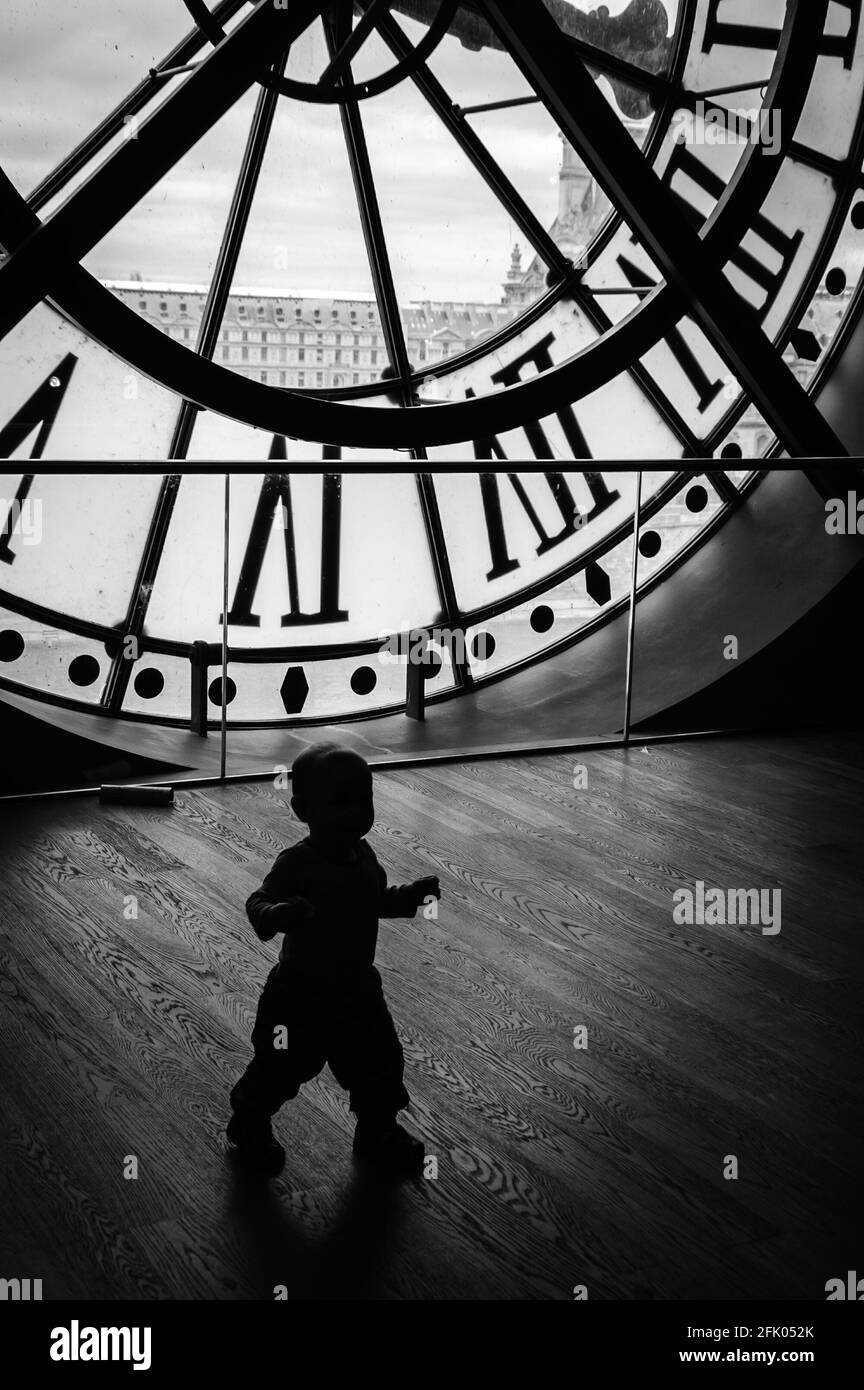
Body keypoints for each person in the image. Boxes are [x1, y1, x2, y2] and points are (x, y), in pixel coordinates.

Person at [227, 742, 440, 1174]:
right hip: (298, 994)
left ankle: (377, 1130)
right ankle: (249, 1121)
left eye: (365, 799)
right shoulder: (296, 863)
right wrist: (277, 914)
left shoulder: (363, 855)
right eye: (343, 801)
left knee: (379, 1062)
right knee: (280, 1065)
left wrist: (407, 899)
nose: (357, 811)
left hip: (357, 988)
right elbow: (258, 900)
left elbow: (370, 902)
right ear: (303, 810)